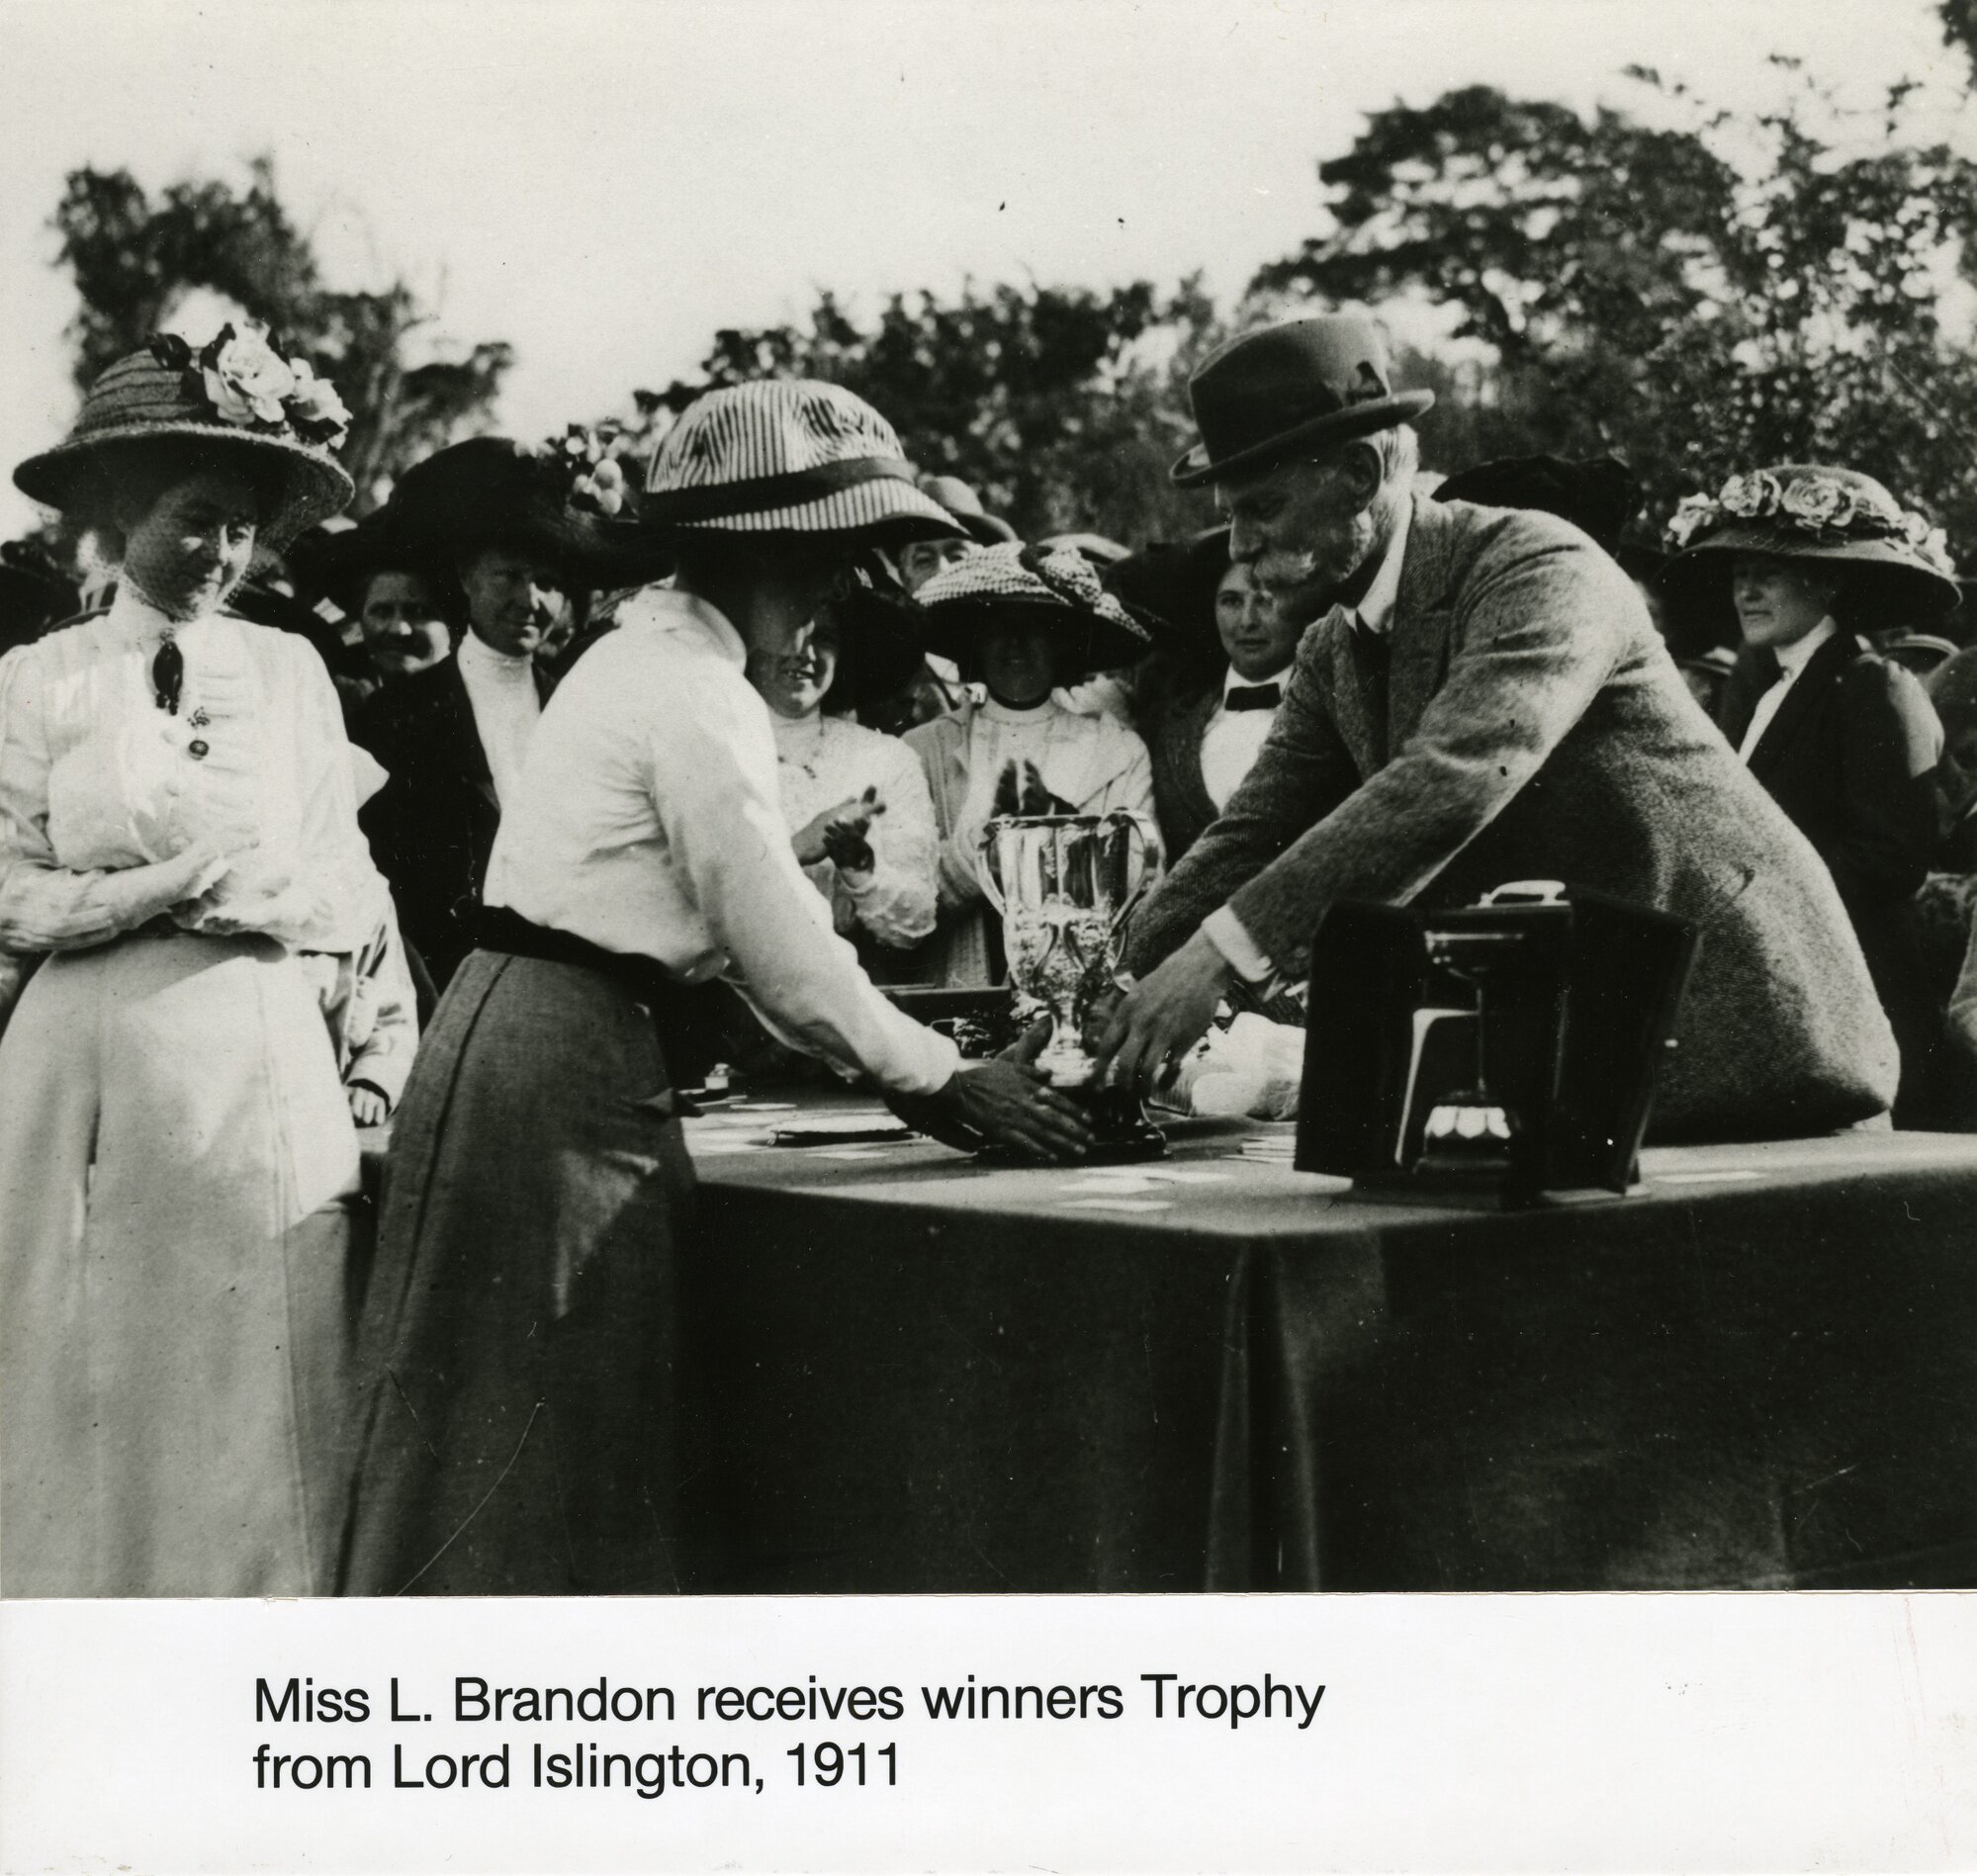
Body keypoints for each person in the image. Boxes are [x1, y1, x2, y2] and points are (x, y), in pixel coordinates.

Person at [340, 380, 1091, 1597]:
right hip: (553, 1066)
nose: (837, 593)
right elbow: (779, 937)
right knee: (541, 1441)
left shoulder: (636, 660)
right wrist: (948, 1082)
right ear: (752, 553)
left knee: (503, 1431)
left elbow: (708, 928)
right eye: (825, 561)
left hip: (528, 1040)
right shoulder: (691, 692)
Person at [1098, 313, 1899, 1141]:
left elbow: (1459, 771)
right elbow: (1245, 838)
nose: (1239, 542)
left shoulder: (1539, 565)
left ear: (1357, 470)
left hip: (1762, 1060)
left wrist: (1219, 957)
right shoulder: (1332, 650)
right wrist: (1098, 1001)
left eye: (1260, 507)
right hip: (1597, 1070)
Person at [0, 328, 385, 1595]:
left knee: (259, 1377)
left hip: (254, 1065)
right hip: (83, 1082)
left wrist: (371, 1042)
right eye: (192, 519)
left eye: (242, 528)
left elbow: (336, 880)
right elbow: (10, 895)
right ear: (118, 513)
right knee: (89, 1378)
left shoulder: (288, 673)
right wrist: (174, 886)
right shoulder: (39, 679)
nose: (221, 555)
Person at [1666, 466, 1951, 1121]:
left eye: (1770, 568)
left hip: (1864, 997)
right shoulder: (1766, 690)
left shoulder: (1871, 684)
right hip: (1793, 993)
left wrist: (1754, 896)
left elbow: (1893, 857)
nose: (1747, 587)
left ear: (1827, 579)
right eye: (1738, 568)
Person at [350, 437, 642, 992]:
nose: (530, 599)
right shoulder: (396, 716)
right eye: (508, 575)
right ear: (465, 578)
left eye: (550, 583)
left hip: (564, 983)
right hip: (432, 984)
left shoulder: (583, 711)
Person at [905, 541, 1160, 988]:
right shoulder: (926, 749)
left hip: (1084, 994)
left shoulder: (1117, 751)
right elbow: (907, 899)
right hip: (960, 997)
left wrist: (1060, 828)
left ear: (1062, 641)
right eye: (1000, 627)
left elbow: (1145, 884)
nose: (1017, 645)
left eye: (1036, 628)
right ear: (976, 641)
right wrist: (993, 842)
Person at [748, 580, 939, 957]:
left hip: (853, 986)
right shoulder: (716, 746)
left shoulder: (884, 757)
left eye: (826, 637)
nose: (804, 652)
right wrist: (796, 848)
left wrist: (860, 866)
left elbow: (916, 926)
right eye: (788, 630)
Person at [1111, 526, 1304, 865]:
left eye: (1266, 599)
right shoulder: (1166, 724)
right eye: (1231, 601)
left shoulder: (1329, 710)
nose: (1247, 620)